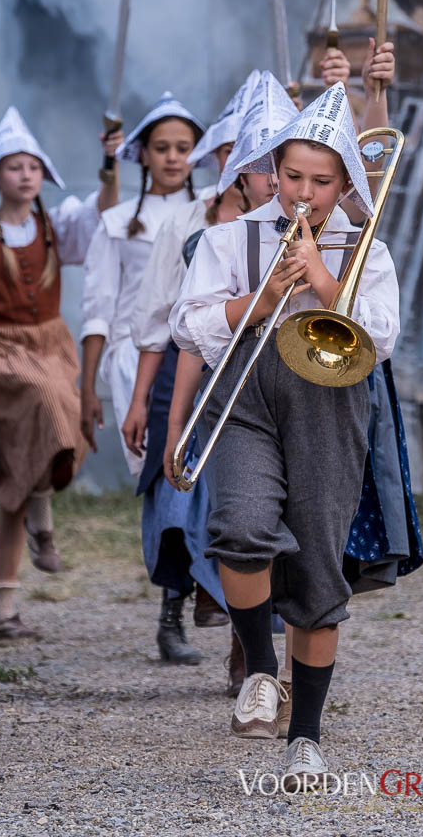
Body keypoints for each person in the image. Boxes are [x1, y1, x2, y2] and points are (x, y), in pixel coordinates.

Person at [169, 82, 400, 791]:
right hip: (245, 396)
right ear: (272, 169)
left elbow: (381, 338)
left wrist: (324, 279)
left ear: (344, 181)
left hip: (329, 401)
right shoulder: (224, 236)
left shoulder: (367, 247)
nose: (303, 192)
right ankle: (260, 671)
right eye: (290, 176)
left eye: (321, 181)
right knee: (237, 527)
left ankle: (306, 736)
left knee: (317, 570)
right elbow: (191, 325)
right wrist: (266, 294)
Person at [123, 72, 295, 669]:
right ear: (229, 162)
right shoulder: (191, 224)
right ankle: (177, 610)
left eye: (279, 160)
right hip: (191, 372)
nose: (268, 173)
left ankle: (245, 648)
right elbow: (161, 324)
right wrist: (146, 402)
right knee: (178, 504)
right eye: (250, 158)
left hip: (273, 381)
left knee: (258, 510)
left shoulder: (297, 224)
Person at [0, 106, 119, 640]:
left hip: (48, 343)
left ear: (42, 175)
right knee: (51, 399)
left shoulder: (56, 226)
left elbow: (104, 218)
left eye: (31, 166)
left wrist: (109, 166)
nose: (24, 175)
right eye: (12, 167)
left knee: (19, 469)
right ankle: (42, 521)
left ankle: (1, 611)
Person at [79, 91, 205, 478]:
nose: (172, 157)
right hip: (136, 358)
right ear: (144, 154)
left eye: (183, 148)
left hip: (203, 352)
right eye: (162, 148)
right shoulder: (116, 222)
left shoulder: (215, 212)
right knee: (159, 467)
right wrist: (86, 390)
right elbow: (99, 309)